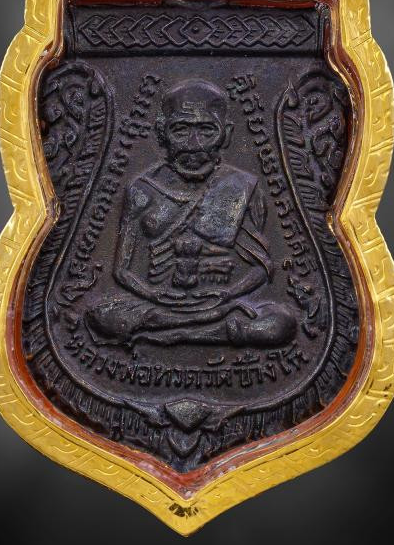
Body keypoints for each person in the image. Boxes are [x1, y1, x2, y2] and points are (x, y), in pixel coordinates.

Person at [84, 78, 296, 348]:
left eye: (206, 130)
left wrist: (227, 294)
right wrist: (154, 294)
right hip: (159, 304)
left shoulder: (239, 187)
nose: (194, 145)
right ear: (162, 132)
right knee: (101, 315)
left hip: (221, 303)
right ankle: (201, 330)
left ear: (226, 134)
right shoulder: (142, 189)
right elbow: (121, 271)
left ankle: (174, 333)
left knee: (282, 323)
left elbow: (262, 268)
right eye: (181, 130)